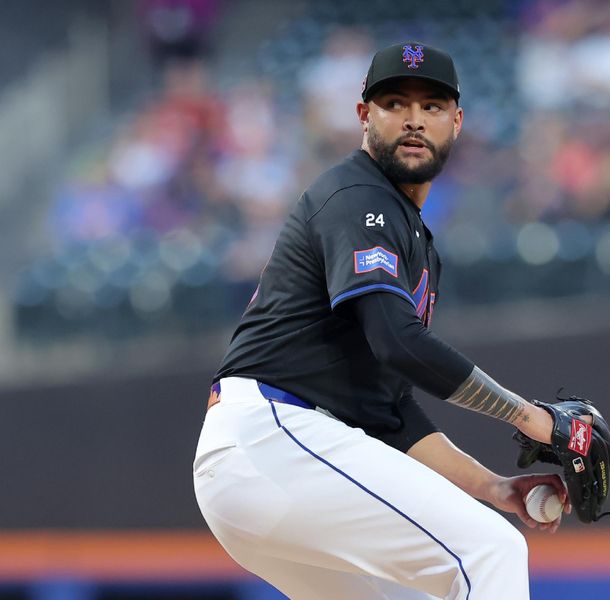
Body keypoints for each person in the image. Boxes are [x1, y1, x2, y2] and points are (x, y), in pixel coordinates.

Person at [193, 42, 572, 600]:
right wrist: (534, 419)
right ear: (364, 115)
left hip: (271, 465)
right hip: (274, 435)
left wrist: (492, 487)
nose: (415, 119)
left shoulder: (412, 235)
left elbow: (391, 409)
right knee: (491, 551)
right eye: (395, 102)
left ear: (457, 122)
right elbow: (399, 341)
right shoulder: (357, 198)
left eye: (433, 105)